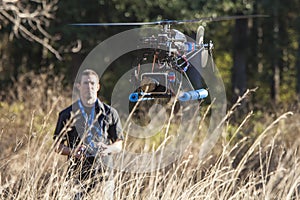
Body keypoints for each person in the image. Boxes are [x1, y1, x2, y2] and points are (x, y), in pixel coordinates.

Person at [53, 69, 123, 200]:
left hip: (104, 174)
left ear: (98, 86)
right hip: (77, 175)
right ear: (79, 86)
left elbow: (119, 145)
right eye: (85, 83)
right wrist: (73, 152)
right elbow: (57, 146)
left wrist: (108, 149)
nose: (89, 87)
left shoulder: (110, 113)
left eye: (92, 83)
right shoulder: (67, 114)